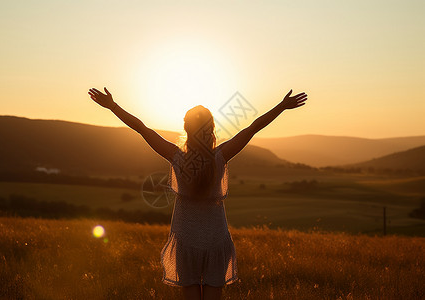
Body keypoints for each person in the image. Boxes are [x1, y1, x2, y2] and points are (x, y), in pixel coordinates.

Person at [88, 87, 307, 300]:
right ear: (212, 129)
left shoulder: (175, 156)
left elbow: (142, 128)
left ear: (186, 129)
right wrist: (281, 106)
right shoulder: (221, 156)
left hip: (186, 238)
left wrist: (113, 106)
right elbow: (253, 128)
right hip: (216, 239)